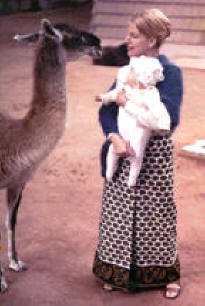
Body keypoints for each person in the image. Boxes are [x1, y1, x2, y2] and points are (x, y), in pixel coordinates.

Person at [92, 8, 183, 299]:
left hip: (153, 156)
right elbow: (106, 108)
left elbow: (167, 120)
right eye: (128, 34)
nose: (127, 40)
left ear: (153, 40)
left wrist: (128, 103)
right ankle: (115, 270)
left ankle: (165, 273)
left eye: (134, 35)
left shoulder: (170, 72)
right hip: (122, 148)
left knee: (156, 215)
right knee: (117, 212)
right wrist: (114, 137)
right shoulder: (126, 69)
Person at [96, 55, 170, 187]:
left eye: (131, 72)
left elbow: (159, 112)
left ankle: (132, 180)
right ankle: (109, 173)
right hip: (124, 128)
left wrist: (163, 124)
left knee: (136, 154)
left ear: (140, 77)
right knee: (113, 149)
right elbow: (114, 94)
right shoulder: (126, 89)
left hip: (139, 130)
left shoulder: (150, 94)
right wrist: (103, 97)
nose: (127, 74)